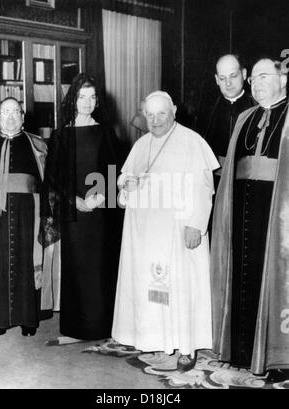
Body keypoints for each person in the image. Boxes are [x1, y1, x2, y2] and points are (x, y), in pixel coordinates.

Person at [112, 91, 219, 371]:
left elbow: (203, 188)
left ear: (173, 111)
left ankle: (186, 346)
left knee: (180, 289)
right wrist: (126, 187)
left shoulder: (192, 142)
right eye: (150, 115)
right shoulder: (141, 144)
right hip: (148, 236)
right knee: (156, 289)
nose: (156, 120)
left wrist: (196, 224)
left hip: (178, 233)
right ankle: (158, 339)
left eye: (161, 113)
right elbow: (123, 186)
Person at [211, 58, 289, 381]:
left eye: (264, 76)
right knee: (243, 275)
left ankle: (279, 360)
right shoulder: (245, 117)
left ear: (283, 80)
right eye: (253, 78)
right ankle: (242, 352)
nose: (256, 83)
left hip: (277, 214)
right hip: (242, 209)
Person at [41, 73, 123, 342]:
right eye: (82, 97)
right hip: (73, 211)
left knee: (101, 266)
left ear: (97, 100)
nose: (87, 102)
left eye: (92, 97)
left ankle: (101, 327)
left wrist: (99, 198)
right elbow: (53, 177)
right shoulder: (61, 135)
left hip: (100, 212)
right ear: (73, 100)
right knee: (76, 267)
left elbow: (114, 171)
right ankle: (77, 329)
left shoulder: (106, 131)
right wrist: (73, 200)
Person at [0, 97, 47, 336]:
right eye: (6, 112)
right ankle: (1, 320)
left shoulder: (37, 145)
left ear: (23, 117)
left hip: (27, 211)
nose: (11, 116)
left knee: (26, 260)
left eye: (16, 112)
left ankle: (28, 320)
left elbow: (47, 181)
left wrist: (47, 213)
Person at [203, 54, 254, 186]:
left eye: (233, 76)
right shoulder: (207, 111)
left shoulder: (257, 107)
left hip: (248, 184)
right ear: (216, 80)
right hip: (215, 184)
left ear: (243, 74)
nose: (228, 83)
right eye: (222, 78)